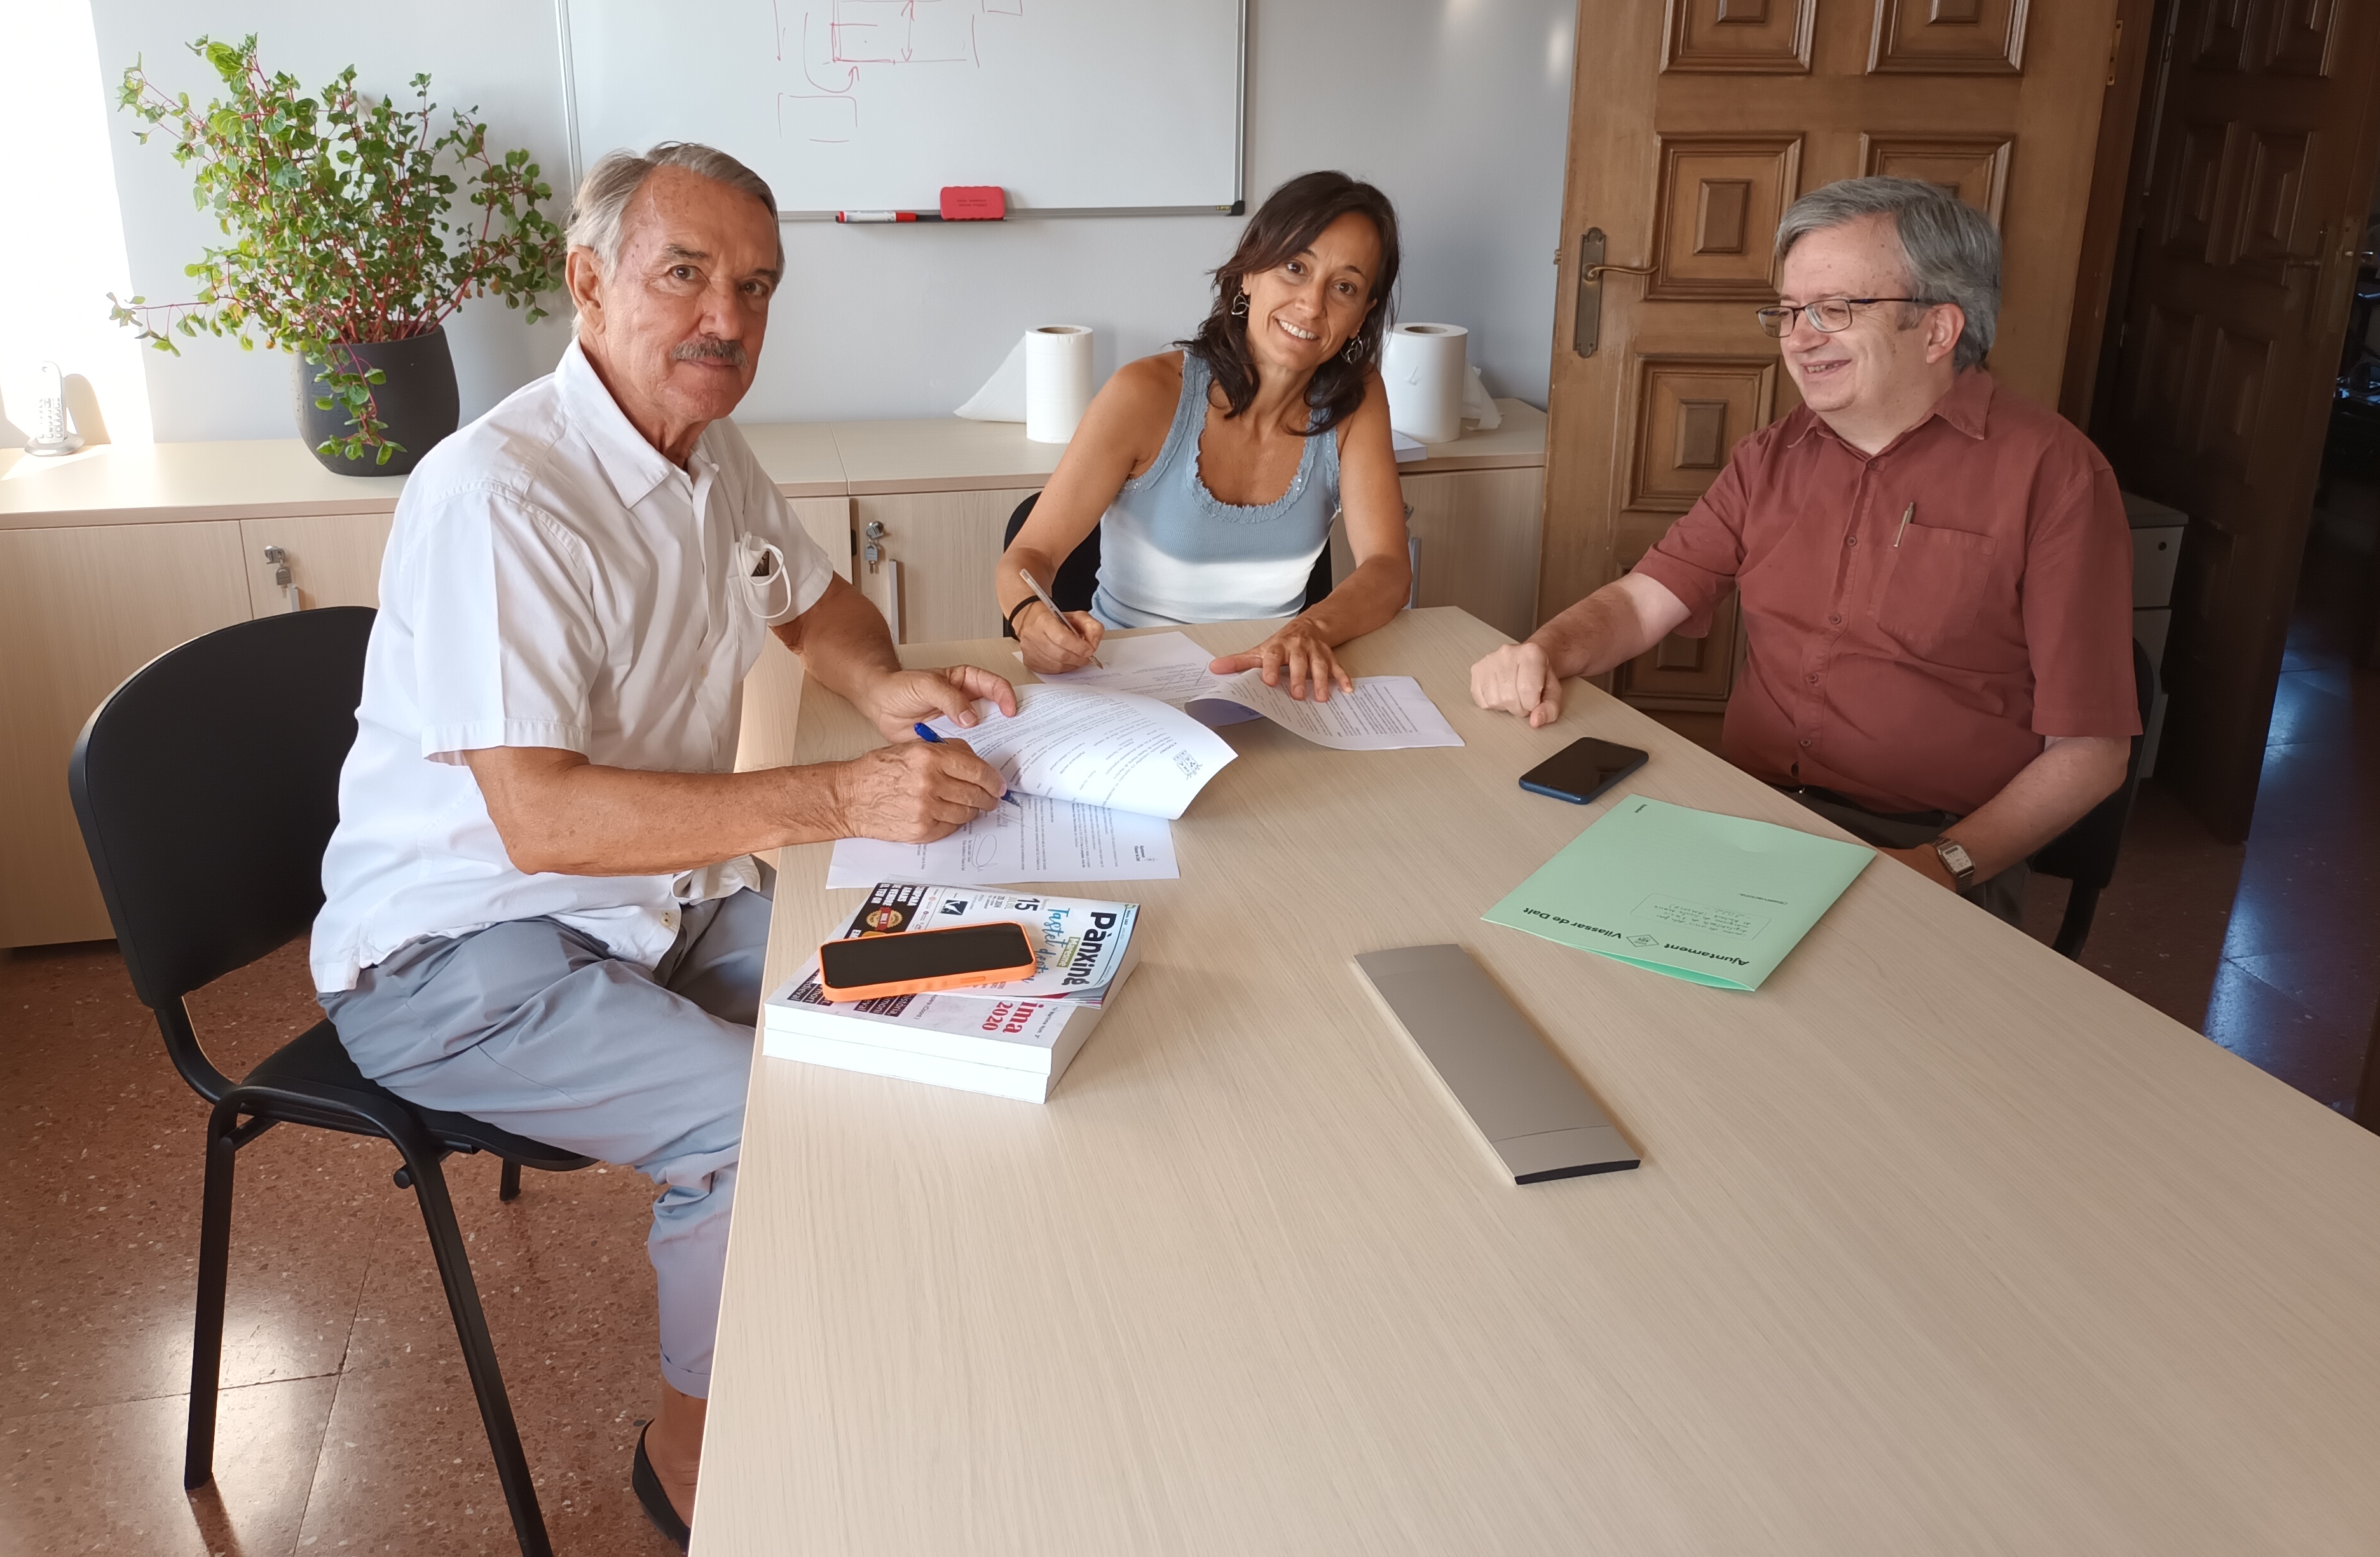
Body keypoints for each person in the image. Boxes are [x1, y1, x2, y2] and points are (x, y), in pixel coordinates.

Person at [308, 142, 1015, 1547]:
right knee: (752, 1118)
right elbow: (544, 818)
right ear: (587, 283)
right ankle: (698, 1453)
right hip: (451, 954)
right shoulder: (496, 495)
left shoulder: (703, 449)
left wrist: (879, 689)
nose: (727, 320)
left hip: (645, 907)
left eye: (754, 287)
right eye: (684, 274)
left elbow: (812, 599)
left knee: (933, 969)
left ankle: (851, 1321)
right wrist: (835, 797)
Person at [1469, 176, 2139, 923]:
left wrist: (1939, 866)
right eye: (1787, 312)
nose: (1798, 337)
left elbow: (2091, 749)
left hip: (1933, 849)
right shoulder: (1771, 456)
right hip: (1749, 816)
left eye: (1833, 310)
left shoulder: (2056, 477)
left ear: (1938, 329)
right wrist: (1545, 651)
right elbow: (1643, 599)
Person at [995, 171, 1415, 702]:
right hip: (1123, 692)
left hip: (1267, 695)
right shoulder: (1145, 393)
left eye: (1345, 287)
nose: (1312, 305)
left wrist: (1310, 629)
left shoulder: (1357, 399)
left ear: (1362, 317)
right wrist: (1031, 619)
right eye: (1295, 268)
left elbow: (1388, 568)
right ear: (1249, 272)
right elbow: (1028, 554)